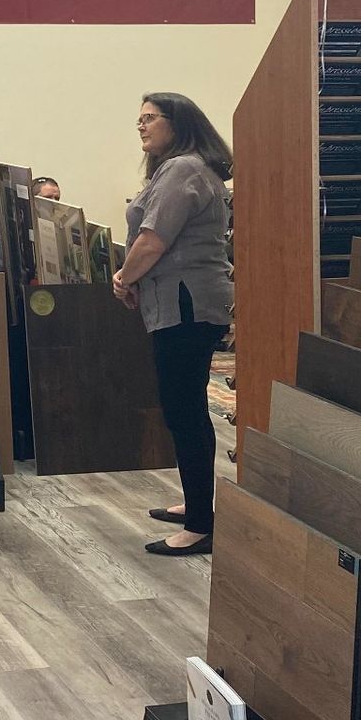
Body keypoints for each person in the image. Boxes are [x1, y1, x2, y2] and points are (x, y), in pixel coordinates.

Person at [110, 92, 234, 557]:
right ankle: (196, 502)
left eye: (149, 118)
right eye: (138, 118)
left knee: (183, 409)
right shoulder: (177, 168)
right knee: (184, 407)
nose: (140, 126)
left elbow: (153, 239)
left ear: (177, 123)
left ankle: (202, 523)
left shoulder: (184, 169)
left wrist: (124, 276)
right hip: (177, 303)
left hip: (187, 304)